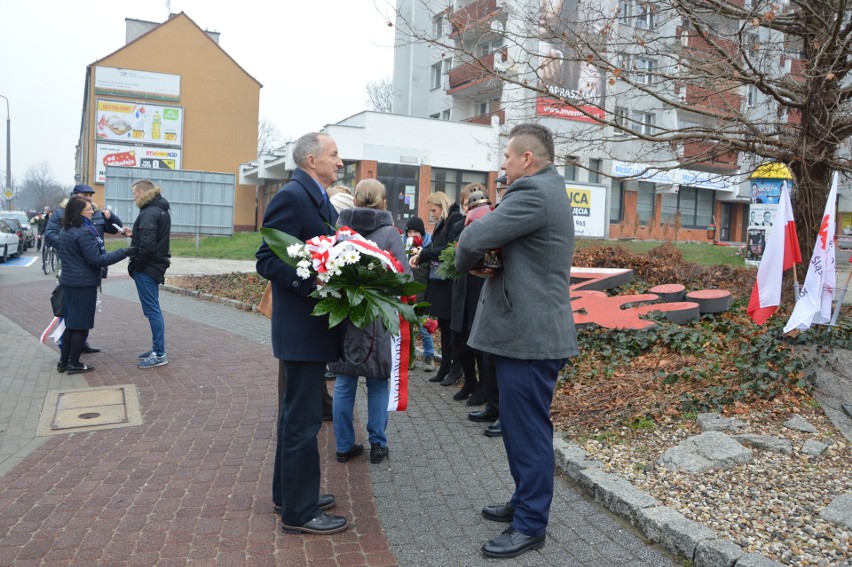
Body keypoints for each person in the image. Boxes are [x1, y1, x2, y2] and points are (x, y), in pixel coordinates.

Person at [455, 123, 577, 559]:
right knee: (520, 430)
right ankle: (525, 502)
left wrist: (471, 261)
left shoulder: (532, 192)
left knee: (527, 433)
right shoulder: (547, 190)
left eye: (507, 156)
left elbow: (472, 236)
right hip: (525, 334)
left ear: (527, 159)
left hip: (530, 337)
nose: (502, 163)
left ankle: (530, 525)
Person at [256, 132, 348, 535]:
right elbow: (266, 259)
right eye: (334, 155)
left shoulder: (316, 197)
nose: (340, 161)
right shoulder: (293, 196)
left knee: (296, 415)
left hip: (308, 330)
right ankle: (300, 512)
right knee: (303, 420)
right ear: (312, 160)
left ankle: (288, 496)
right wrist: (315, 283)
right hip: (300, 330)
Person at [328, 179, 410, 465]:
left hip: (346, 316)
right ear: (383, 201)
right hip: (377, 318)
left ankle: (343, 445)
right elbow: (405, 278)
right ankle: (377, 445)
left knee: (344, 382)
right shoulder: (389, 233)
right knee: (377, 382)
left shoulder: (341, 231)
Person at [44, 184, 127, 353]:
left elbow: (116, 229)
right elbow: (50, 234)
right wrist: (70, 248)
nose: (89, 198)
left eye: (90, 195)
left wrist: (111, 217)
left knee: (87, 308)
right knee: (69, 309)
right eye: (84, 194)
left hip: (91, 268)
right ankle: (66, 347)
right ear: (74, 195)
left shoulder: (95, 212)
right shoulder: (61, 212)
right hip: (72, 268)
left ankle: (81, 342)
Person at [56, 196, 133, 374]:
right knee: (80, 326)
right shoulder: (84, 232)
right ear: (79, 212)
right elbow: (96, 260)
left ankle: (63, 362)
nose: (93, 211)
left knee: (70, 324)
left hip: (70, 282)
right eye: (89, 209)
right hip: (83, 284)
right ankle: (74, 363)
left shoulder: (66, 230)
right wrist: (124, 252)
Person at [408, 192, 464, 385]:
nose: (432, 214)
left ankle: (453, 369)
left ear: (442, 205)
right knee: (444, 327)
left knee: (450, 329)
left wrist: (424, 253)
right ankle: (446, 368)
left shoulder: (454, 220)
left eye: (434, 209)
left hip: (448, 282)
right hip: (442, 282)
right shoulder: (447, 221)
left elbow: (449, 248)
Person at [128, 179, 171, 369]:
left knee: (152, 310)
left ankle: (159, 353)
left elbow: (147, 245)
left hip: (148, 268)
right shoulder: (159, 209)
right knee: (152, 309)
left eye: (134, 193)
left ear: (142, 192)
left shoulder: (149, 212)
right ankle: (156, 348)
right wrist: (133, 234)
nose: (133, 197)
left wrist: (135, 265)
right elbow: (149, 237)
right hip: (155, 265)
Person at [404, 216, 435, 372]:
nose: (412, 235)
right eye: (410, 232)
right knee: (408, 327)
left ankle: (429, 356)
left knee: (424, 327)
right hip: (408, 293)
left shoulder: (428, 249)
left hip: (423, 293)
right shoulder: (404, 248)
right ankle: (411, 357)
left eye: (416, 232)